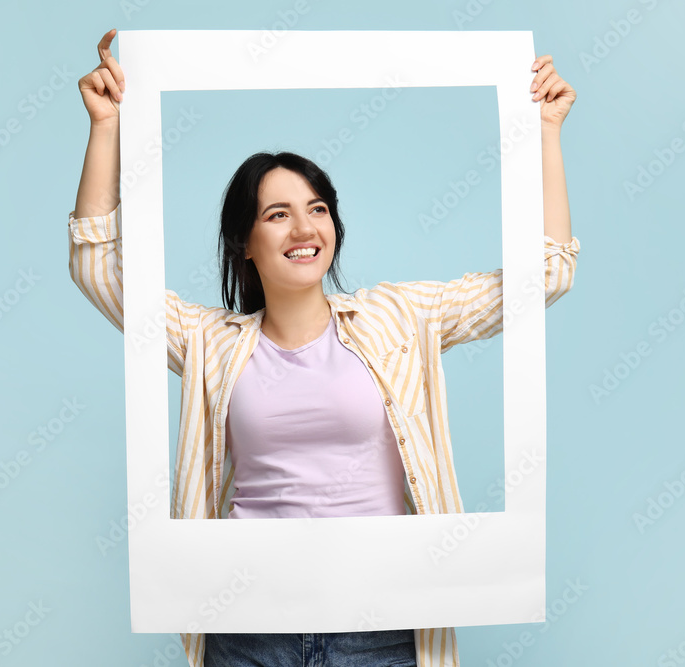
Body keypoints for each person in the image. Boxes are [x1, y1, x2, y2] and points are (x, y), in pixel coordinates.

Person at [68, 28, 580, 667]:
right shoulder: (210, 344)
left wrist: (547, 131)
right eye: (277, 214)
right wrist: (108, 127)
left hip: (383, 625)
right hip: (248, 626)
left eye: (317, 209)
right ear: (243, 243)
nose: (305, 228)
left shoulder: (398, 318)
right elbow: (100, 272)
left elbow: (545, 276)